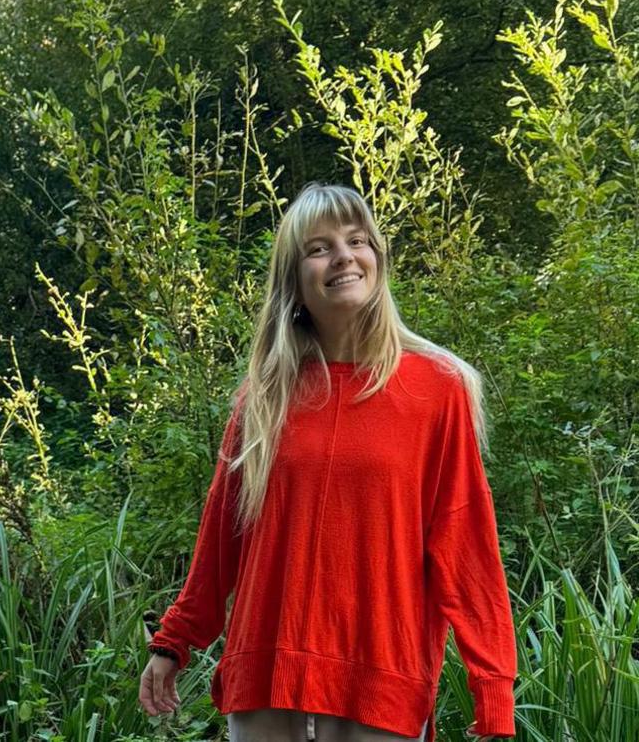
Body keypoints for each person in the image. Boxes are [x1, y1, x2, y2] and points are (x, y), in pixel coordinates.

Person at [138, 182, 518, 741]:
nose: (343, 256)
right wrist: (175, 640)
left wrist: (492, 685)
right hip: (265, 677)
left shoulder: (437, 389)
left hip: (380, 682)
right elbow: (221, 536)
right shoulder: (264, 396)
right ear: (293, 280)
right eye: (319, 248)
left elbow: (465, 545)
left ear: (377, 259)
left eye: (357, 240)